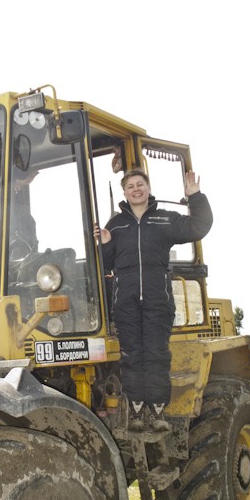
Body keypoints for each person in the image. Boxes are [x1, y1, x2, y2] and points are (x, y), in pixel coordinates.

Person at [94, 168, 213, 432]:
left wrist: (195, 197)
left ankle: (157, 413)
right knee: (132, 356)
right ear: (123, 193)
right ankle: (137, 413)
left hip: (158, 300)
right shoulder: (116, 225)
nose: (135, 189)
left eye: (140, 184)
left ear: (148, 189)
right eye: (130, 186)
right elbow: (105, 264)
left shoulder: (164, 219)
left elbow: (198, 226)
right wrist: (103, 245)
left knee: (157, 355)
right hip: (125, 302)